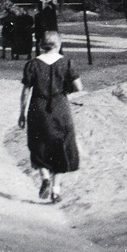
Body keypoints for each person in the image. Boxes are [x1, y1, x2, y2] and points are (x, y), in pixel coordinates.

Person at [19, 29, 84, 202]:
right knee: (61, 146)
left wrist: (22, 113)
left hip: (38, 108)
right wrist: (65, 91)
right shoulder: (67, 63)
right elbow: (79, 87)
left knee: (38, 144)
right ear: (59, 45)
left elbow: (25, 91)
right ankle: (56, 191)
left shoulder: (32, 64)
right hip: (60, 108)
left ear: (42, 45)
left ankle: (45, 178)